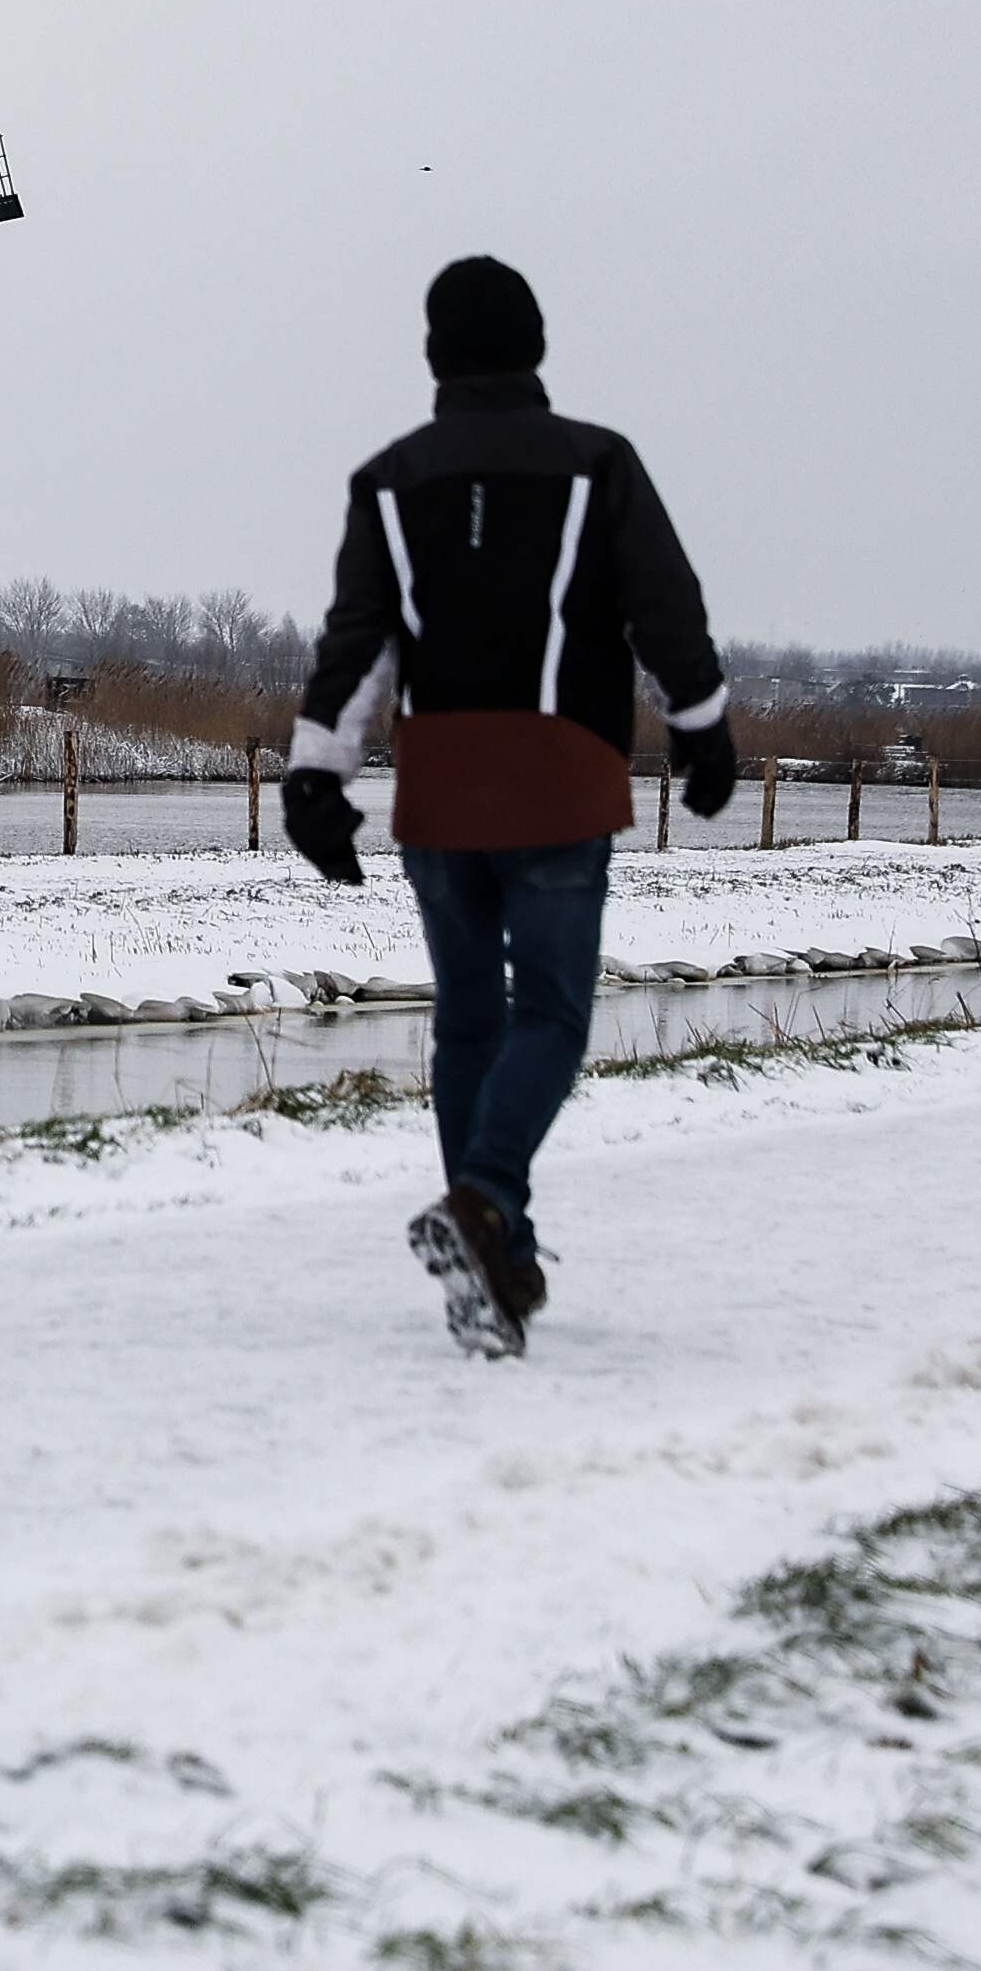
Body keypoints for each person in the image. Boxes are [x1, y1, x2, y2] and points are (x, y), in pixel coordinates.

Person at [280, 257, 731, 1357]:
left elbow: (360, 643)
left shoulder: (384, 481)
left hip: (438, 784)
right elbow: (659, 608)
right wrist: (701, 720)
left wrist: (313, 775)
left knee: (466, 1022)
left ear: (433, 356)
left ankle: (501, 1256)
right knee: (550, 1016)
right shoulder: (597, 463)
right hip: (559, 774)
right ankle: (483, 1198)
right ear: (534, 344)